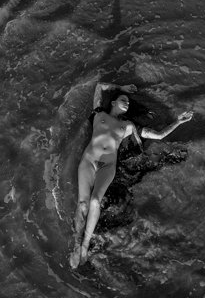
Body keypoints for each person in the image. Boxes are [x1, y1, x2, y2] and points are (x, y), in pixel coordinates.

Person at [71, 81, 194, 268]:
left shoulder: (128, 126)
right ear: (113, 103)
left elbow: (159, 135)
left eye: (128, 102)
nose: (127, 103)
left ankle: (85, 246)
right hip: (88, 160)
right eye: (123, 100)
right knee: (82, 204)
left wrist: (178, 121)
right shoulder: (98, 113)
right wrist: (122, 88)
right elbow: (99, 86)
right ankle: (75, 244)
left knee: (95, 201)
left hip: (107, 166)